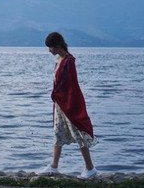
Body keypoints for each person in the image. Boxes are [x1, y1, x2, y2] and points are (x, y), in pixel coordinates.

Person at [38, 32, 99, 179]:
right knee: (58, 133)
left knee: (78, 134)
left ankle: (90, 168)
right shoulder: (59, 59)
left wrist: (60, 96)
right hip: (60, 104)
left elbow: (70, 84)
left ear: (58, 46)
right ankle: (54, 166)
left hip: (70, 104)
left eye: (50, 47)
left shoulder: (68, 61)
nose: (49, 51)